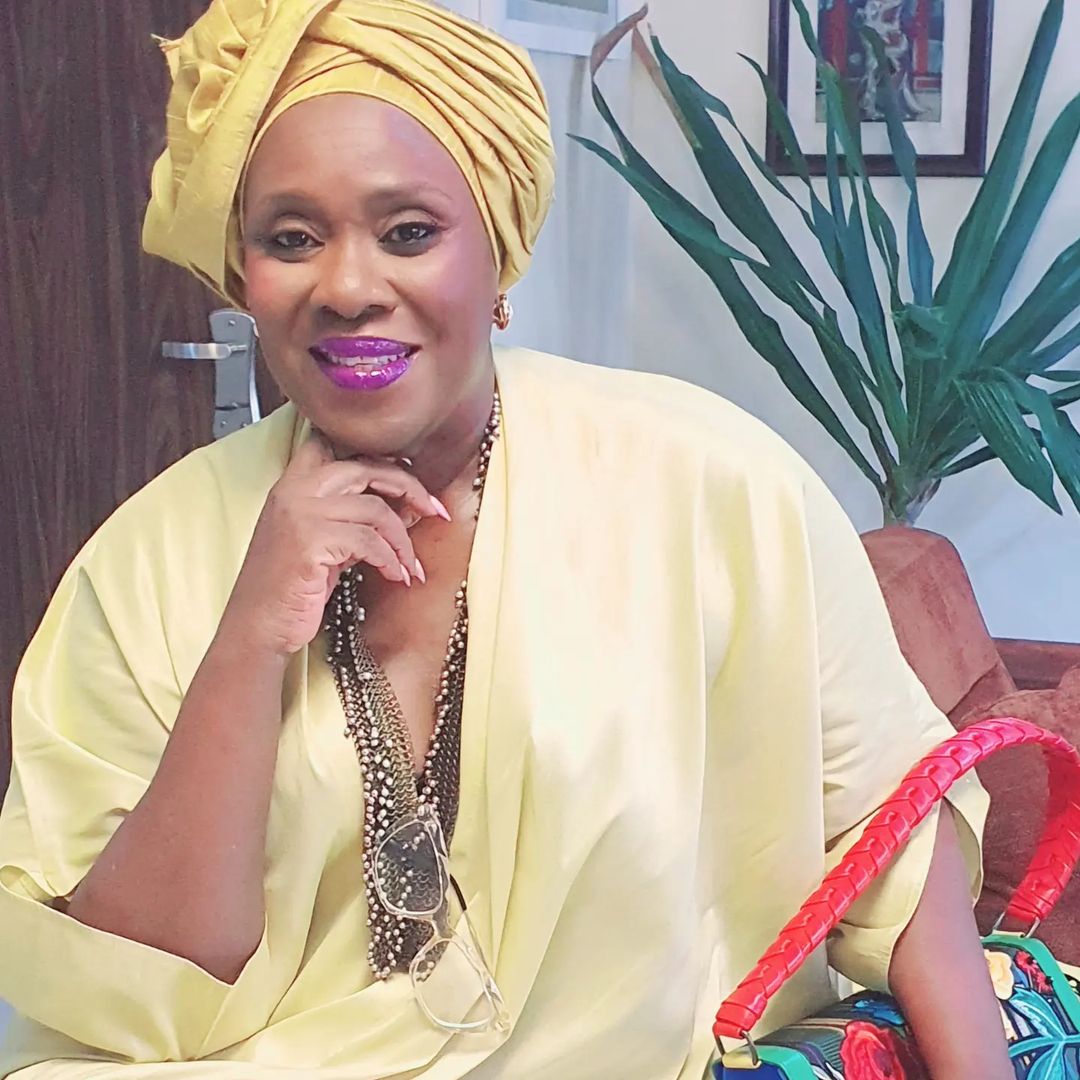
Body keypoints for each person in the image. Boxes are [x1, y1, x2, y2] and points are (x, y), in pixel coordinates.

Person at [0, 0, 1011, 1076]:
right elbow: (136, 988)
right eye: (291, 239)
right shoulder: (148, 560)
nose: (348, 289)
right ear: (244, 272)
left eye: (409, 233)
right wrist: (250, 638)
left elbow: (894, 843)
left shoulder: (711, 486)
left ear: (500, 252)